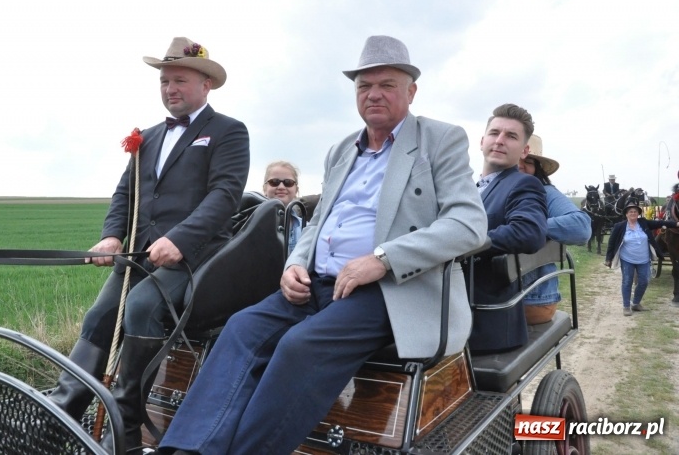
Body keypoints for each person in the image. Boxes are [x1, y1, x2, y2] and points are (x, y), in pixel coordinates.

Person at [158, 35, 488, 455]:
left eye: (386, 84)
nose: (374, 94)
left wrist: (383, 260)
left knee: (299, 346)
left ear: (411, 91)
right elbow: (317, 224)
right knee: (241, 328)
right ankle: (187, 449)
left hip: (389, 292)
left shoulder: (440, 140)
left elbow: (469, 224)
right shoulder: (340, 151)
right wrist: (295, 262)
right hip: (316, 284)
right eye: (363, 86)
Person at [48, 37, 250, 451]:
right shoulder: (147, 137)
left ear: (205, 85)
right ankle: (58, 417)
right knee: (99, 317)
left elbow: (224, 196)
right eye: (164, 81)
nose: (170, 88)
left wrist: (180, 239)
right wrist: (110, 236)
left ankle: (122, 434)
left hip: (196, 256)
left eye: (179, 80)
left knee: (140, 309)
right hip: (139, 256)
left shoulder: (228, 132)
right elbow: (125, 193)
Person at [469, 103, 548, 354]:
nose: (500, 140)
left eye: (511, 136)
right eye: (494, 133)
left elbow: (529, 233)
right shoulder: (468, 188)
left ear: (525, 150)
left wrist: (462, 243)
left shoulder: (524, 184)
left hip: (482, 320)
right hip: (443, 308)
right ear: (482, 141)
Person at [518, 135, 591, 324]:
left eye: (527, 160)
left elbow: (581, 227)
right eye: (514, 158)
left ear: (538, 168)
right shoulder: (489, 188)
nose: (519, 165)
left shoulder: (544, 191)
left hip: (531, 297)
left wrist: (523, 228)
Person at [604, 199, 679, 316]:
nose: (633, 213)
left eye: (635, 211)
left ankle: (636, 303)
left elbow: (659, 223)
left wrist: (676, 224)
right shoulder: (619, 226)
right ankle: (626, 306)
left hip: (643, 259)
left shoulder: (643, 222)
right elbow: (612, 243)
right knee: (627, 281)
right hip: (627, 259)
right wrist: (608, 258)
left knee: (644, 281)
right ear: (626, 214)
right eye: (630, 212)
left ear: (638, 213)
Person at [262, 160, 303, 253]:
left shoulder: (307, 229)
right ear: (264, 188)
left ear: (296, 189)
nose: (281, 186)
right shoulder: (249, 224)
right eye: (274, 182)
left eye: (288, 182)